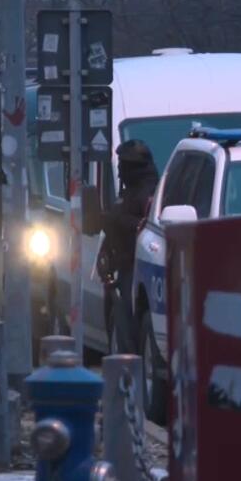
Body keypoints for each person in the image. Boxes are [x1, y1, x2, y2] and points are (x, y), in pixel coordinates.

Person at [100, 139, 159, 353]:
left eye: (122, 165)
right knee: (122, 326)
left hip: (136, 269)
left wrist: (117, 219)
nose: (119, 172)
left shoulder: (149, 194)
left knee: (130, 330)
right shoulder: (131, 193)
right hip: (122, 267)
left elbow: (146, 226)